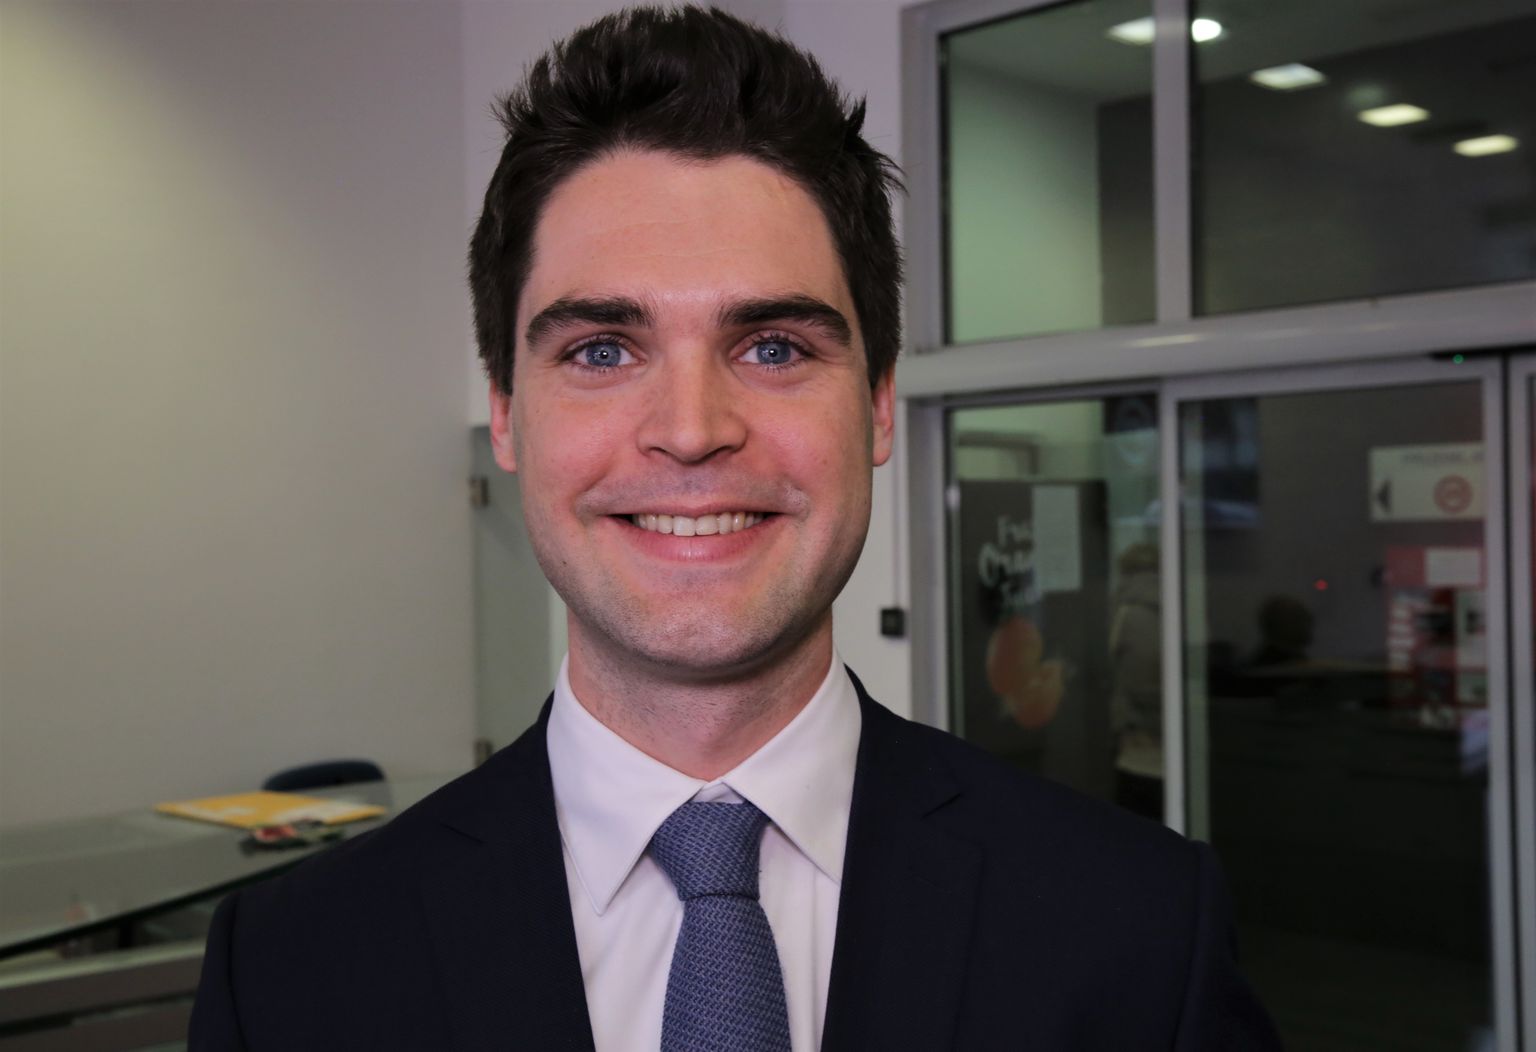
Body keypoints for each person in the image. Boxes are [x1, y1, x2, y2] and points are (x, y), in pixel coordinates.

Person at [189, 7, 1280, 1050]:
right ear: (508, 416)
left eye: (773, 347)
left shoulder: (1139, 929)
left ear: (879, 406)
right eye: (602, 350)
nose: (691, 429)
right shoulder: (291, 970)